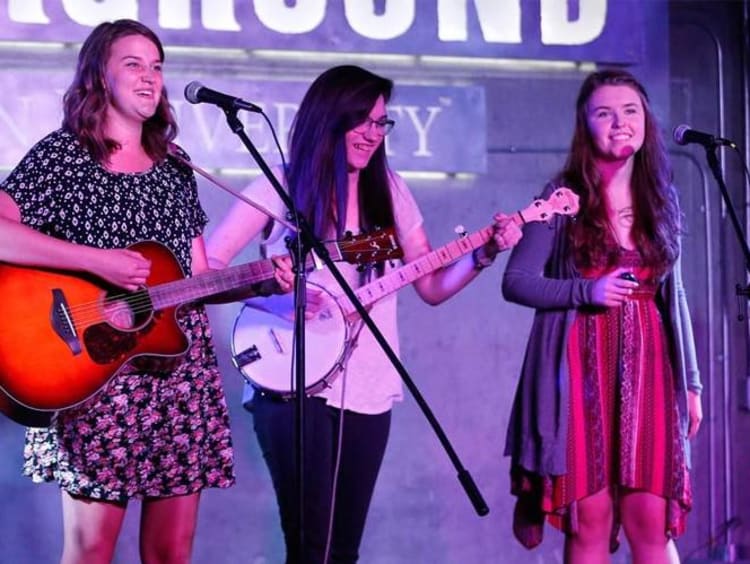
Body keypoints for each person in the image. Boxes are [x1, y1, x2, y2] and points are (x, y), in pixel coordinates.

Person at [206, 64, 523, 563]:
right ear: (330, 118)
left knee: (343, 550)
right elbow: (209, 267)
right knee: (311, 546)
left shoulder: (390, 191)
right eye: (363, 121)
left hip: (368, 384)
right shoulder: (281, 186)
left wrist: (482, 255)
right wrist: (271, 293)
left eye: (382, 123)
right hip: (291, 380)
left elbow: (432, 286)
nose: (373, 134)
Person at [0, 19, 240, 564]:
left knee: (170, 553)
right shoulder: (63, 157)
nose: (150, 77)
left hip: (180, 374)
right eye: (134, 64)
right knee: (90, 553)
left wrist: (258, 280)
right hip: (96, 371)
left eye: (157, 66)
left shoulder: (177, 169)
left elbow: (196, 275)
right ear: (99, 76)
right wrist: (95, 262)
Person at [501, 68, 703, 564]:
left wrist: (691, 384)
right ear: (585, 124)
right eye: (604, 113)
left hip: (650, 374)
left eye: (630, 111)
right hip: (580, 373)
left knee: (650, 523)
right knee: (589, 523)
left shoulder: (662, 198)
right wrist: (585, 289)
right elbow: (517, 281)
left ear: (646, 122)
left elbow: (673, 296)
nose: (619, 123)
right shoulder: (562, 197)